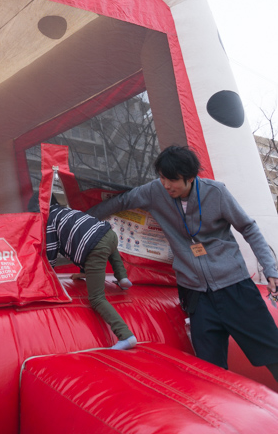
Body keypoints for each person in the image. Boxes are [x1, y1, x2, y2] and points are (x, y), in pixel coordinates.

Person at [89, 144, 278, 380]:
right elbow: (122, 202)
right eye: (162, 178)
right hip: (196, 294)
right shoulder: (155, 191)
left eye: (173, 180)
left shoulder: (216, 192)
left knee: (272, 353)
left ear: (190, 177)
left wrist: (270, 269)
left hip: (234, 286)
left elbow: (248, 227)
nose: (166, 185)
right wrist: (81, 218)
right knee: (210, 369)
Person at [32, 192, 137, 350]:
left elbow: (51, 252)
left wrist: (47, 275)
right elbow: (80, 238)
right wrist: (84, 272)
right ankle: (122, 278)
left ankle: (126, 335)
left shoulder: (49, 221)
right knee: (108, 246)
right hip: (109, 234)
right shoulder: (66, 212)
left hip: (95, 248)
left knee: (96, 299)